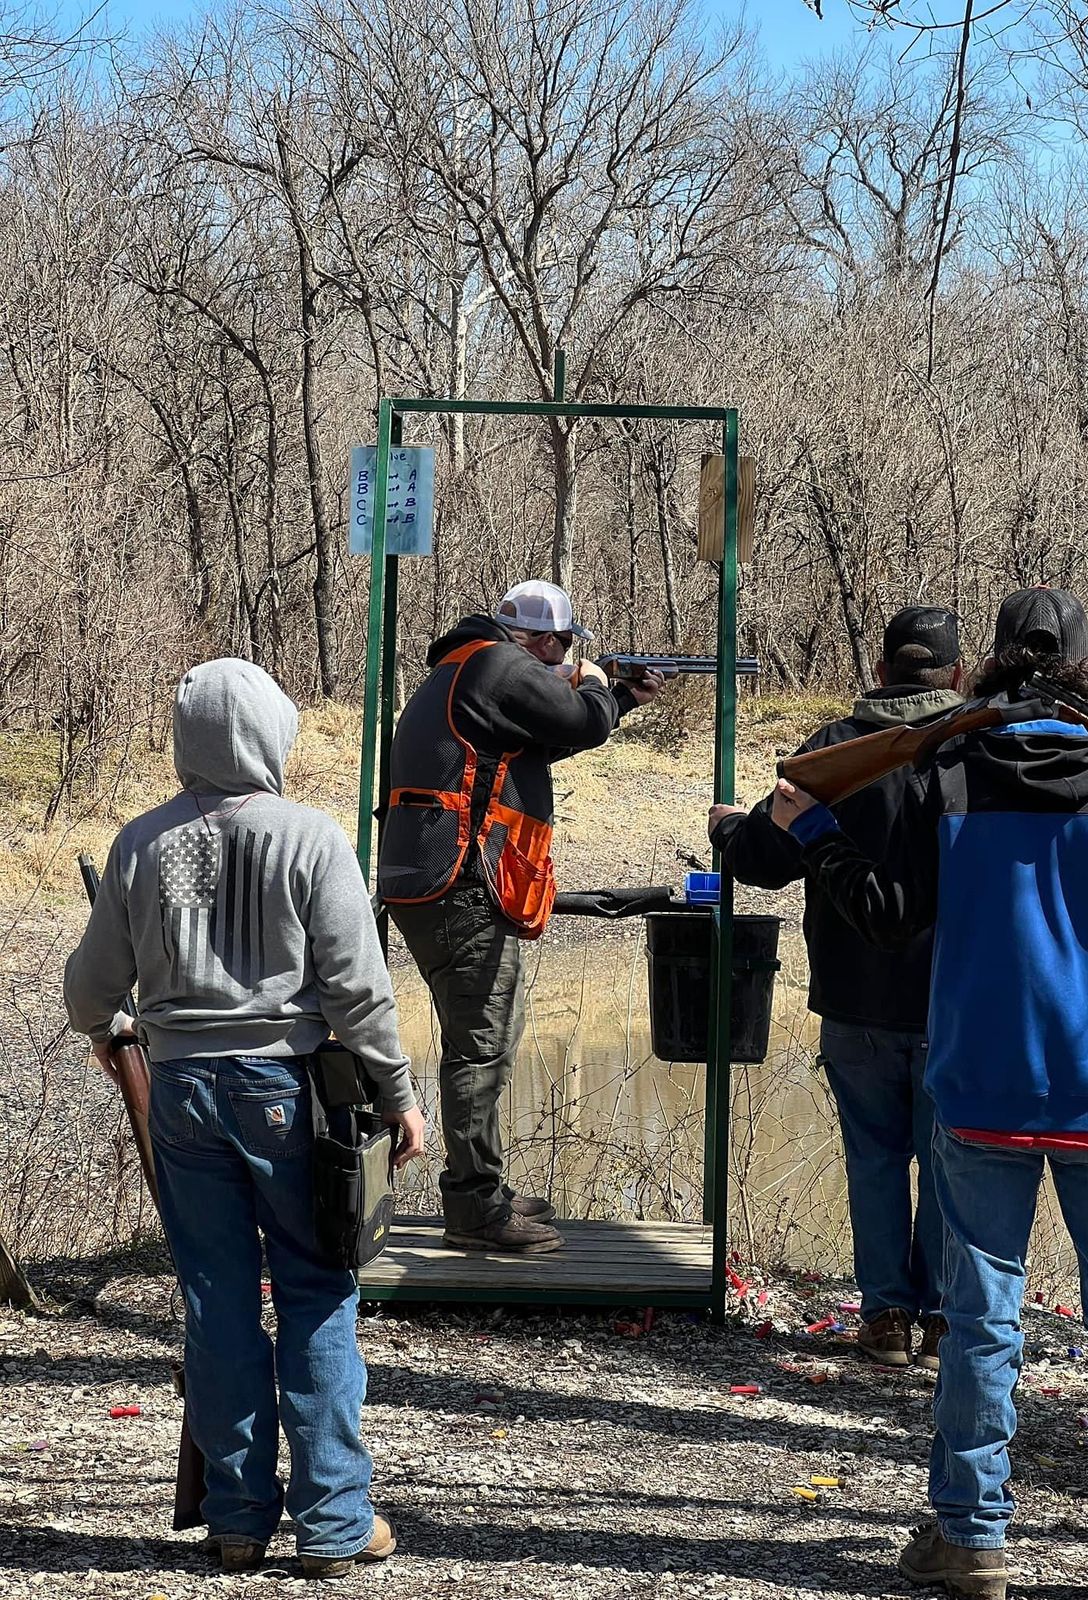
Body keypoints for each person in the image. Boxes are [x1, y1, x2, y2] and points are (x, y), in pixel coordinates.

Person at [762, 588, 1088, 1600]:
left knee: (983, 1316)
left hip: (983, 1087)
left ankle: (972, 1536)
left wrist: (817, 829)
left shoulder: (948, 777)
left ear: (992, 666)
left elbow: (881, 917)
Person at [63, 659, 424, 1580]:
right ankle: (337, 1525)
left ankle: (235, 1520)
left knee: (216, 1302)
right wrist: (398, 1094)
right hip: (284, 1094)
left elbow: (88, 991)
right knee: (316, 1292)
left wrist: (114, 1029)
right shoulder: (308, 838)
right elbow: (357, 990)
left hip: (181, 1094)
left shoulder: (142, 843)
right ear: (272, 734)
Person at [710, 606, 962, 1371]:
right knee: (951, 1162)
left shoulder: (834, 749)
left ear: (880, 672)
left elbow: (762, 857)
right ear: (955, 675)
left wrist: (727, 827)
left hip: (855, 998)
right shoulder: (972, 753)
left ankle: (885, 1318)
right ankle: (946, 1318)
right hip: (957, 1003)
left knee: (875, 1160)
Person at [379, 579, 664, 1255]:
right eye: (564, 645)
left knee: (478, 1039)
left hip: (430, 879)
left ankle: (483, 1188)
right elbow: (580, 720)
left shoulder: (466, 666)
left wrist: (617, 697)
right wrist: (596, 683)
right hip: (458, 882)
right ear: (542, 641)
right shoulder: (499, 663)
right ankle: (475, 1207)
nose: (566, 656)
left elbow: (547, 738)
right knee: (482, 1043)